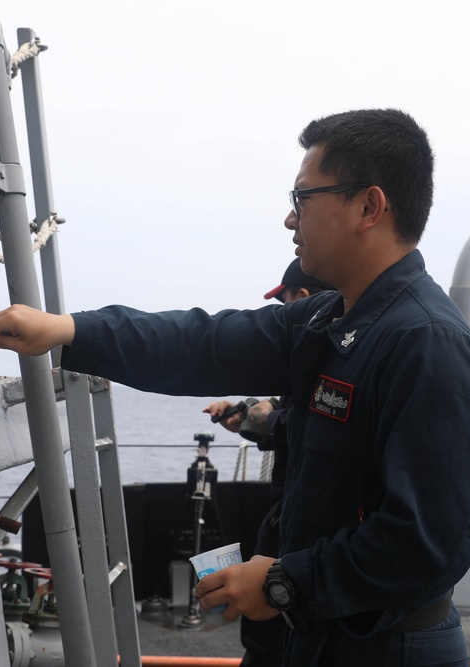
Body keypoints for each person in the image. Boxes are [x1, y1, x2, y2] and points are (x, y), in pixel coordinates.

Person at [0, 108, 470, 667]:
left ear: (368, 206)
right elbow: (204, 342)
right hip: (313, 638)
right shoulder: (327, 322)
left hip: (385, 649)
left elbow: (429, 548)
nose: (289, 220)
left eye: (303, 199)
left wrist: (282, 582)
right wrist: (70, 331)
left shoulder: (431, 347)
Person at [203, 259, 334, 667]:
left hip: (294, 534)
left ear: (304, 301)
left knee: (269, 642)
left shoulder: (323, 360)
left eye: (285, 303)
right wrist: (243, 413)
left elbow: (307, 424)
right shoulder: (317, 362)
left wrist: (265, 420)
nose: (280, 313)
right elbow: (286, 409)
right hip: (292, 521)